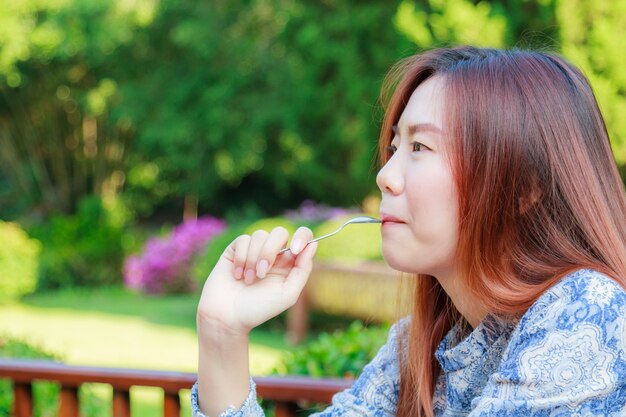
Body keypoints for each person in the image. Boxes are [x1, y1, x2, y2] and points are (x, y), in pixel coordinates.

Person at [191, 46, 626, 417]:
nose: (385, 175)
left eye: (420, 147)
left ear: (524, 188)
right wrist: (222, 334)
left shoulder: (588, 310)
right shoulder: (421, 344)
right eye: (395, 147)